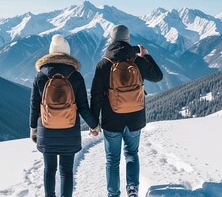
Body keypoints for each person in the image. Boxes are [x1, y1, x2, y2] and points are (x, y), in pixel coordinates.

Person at [90, 25, 163, 197]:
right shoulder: (137, 61)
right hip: (135, 118)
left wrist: (94, 123)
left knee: (112, 160)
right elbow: (158, 76)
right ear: (128, 40)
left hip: (111, 120)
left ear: (111, 40)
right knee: (131, 153)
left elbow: (96, 96)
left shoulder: (103, 64)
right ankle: (132, 189)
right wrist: (146, 56)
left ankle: (113, 194)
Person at [30, 34, 101, 197]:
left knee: (49, 170)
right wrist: (94, 125)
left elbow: (34, 107)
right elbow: (83, 107)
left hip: (46, 130)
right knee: (66, 172)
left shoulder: (40, 76)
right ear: (67, 53)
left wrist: (33, 129)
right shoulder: (75, 76)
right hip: (69, 131)